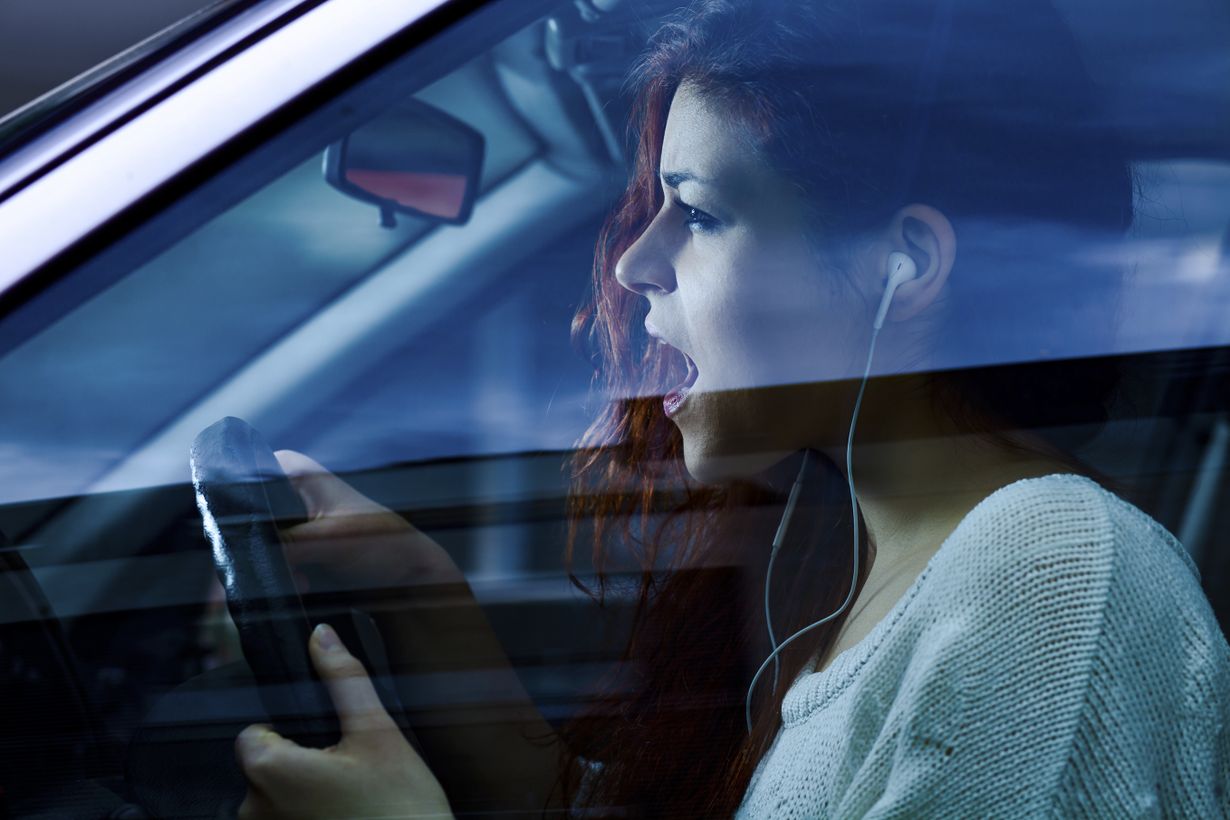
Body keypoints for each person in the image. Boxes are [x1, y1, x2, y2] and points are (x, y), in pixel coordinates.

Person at [231, 0, 1230, 817]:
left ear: (904, 265)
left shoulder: (1052, 574)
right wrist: (415, 588)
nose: (635, 262)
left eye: (702, 213)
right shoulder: (838, 553)